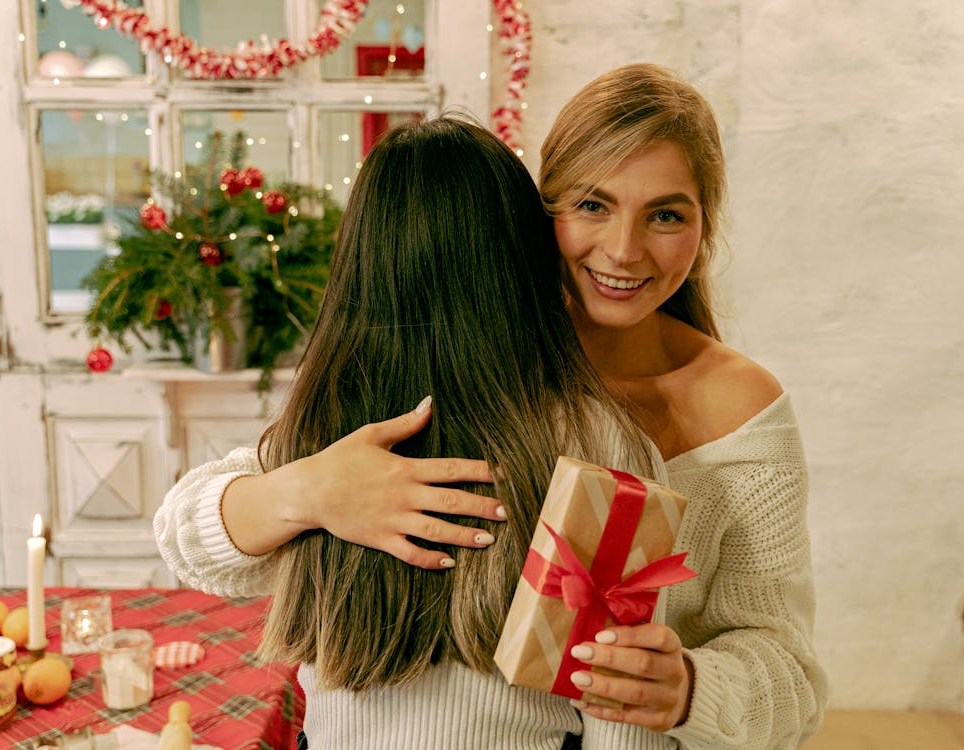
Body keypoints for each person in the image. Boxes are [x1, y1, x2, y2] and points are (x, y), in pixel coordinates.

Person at [156, 64, 827, 748]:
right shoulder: (457, 373)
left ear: (704, 226)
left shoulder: (730, 413)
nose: (623, 250)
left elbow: (790, 678)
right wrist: (305, 491)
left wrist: (687, 688)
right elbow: (190, 534)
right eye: (592, 205)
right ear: (535, 219)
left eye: (664, 214)